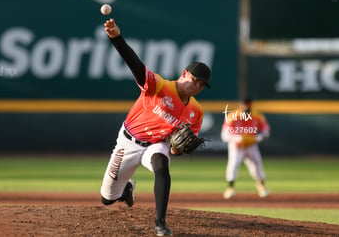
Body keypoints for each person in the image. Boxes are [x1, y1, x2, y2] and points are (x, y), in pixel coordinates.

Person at [100, 18, 211, 236]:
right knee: (107, 199)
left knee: (162, 166)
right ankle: (125, 190)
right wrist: (116, 38)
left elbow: (176, 148)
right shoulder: (159, 85)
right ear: (184, 73)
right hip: (128, 142)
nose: (197, 86)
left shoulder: (196, 112)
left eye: (201, 84)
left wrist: (177, 150)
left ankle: (160, 222)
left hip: (155, 146)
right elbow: (135, 64)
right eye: (195, 79)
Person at [220, 96, 270, 199]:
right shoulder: (233, 116)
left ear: (251, 104)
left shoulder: (257, 115)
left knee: (257, 165)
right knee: (233, 165)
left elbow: (266, 131)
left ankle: (262, 186)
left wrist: (259, 137)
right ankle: (230, 188)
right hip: (236, 146)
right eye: (244, 104)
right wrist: (237, 138)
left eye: (248, 104)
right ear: (240, 105)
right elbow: (224, 135)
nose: (246, 106)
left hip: (251, 145)